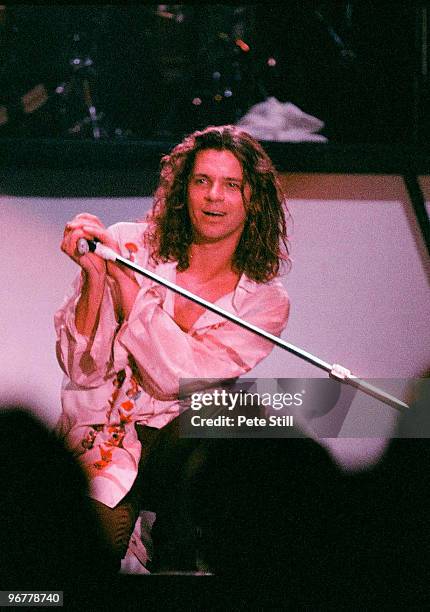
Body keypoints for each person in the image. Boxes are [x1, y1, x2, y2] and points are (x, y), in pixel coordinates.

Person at [55, 124, 291, 569]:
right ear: (184, 189)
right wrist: (93, 276)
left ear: (253, 199)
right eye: (201, 181)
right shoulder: (129, 242)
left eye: (231, 185)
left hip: (178, 453)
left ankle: (164, 537)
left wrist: (125, 282)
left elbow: (173, 379)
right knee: (69, 563)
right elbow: (82, 369)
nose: (213, 196)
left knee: (236, 410)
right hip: (101, 439)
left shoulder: (265, 301)